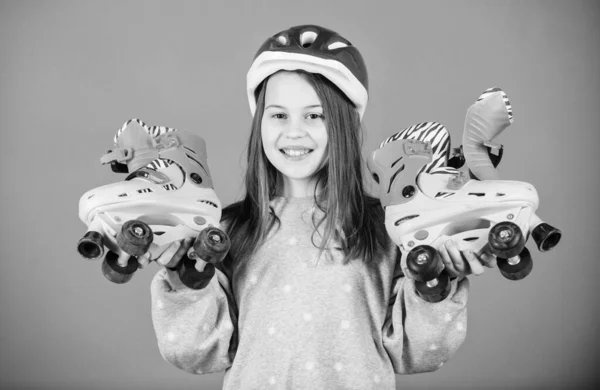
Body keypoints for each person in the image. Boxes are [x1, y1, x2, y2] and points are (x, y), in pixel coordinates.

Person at [142, 24, 496, 389]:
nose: (294, 132)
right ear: (259, 123)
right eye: (279, 115)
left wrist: (435, 283)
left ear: (342, 124)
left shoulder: (388, 227)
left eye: (314, 115)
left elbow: (419, 352)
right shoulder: (226, 232)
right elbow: (195, 352)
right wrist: (188, 279)